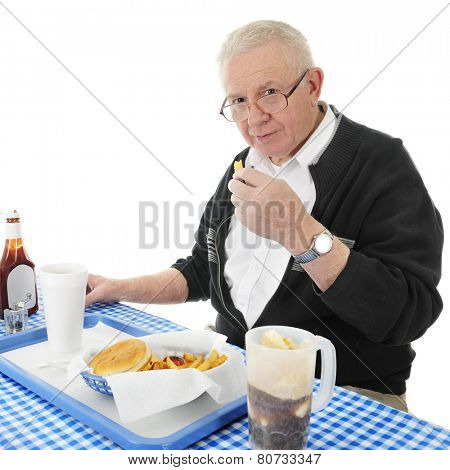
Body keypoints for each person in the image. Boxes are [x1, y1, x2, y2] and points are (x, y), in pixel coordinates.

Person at [85, 20, 444, 412]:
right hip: (234, 374)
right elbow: (201, 271)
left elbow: (409, 314)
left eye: (270, 94)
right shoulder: (244, 165)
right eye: (238, 101)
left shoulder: (381, 163)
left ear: (312, 86)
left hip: (344, 395)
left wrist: (301, 233)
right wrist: (117, 287)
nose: (253, 119)